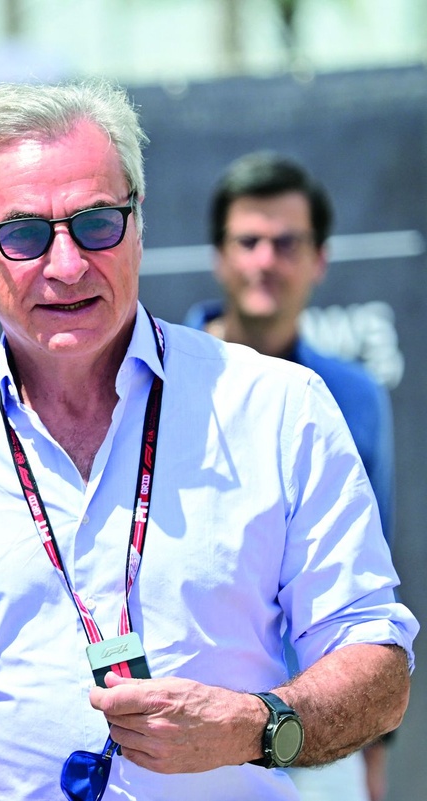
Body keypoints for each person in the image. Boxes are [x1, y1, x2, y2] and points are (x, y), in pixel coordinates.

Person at [0, 79, 415, 800]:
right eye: (24, 234)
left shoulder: (276, 407)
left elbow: (376, 666)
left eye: (96, 223)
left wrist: (254, 726)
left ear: (138, 221)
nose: (67, 265)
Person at [184, 151, 398, 801]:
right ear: (219, 255)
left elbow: (370, 587)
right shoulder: (156, 380)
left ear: (319, 259)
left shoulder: (354, 397)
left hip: (317, 735)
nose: (265, 260)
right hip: (190, 731)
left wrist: (373, 748)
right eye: (248, 241)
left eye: (286, 243)